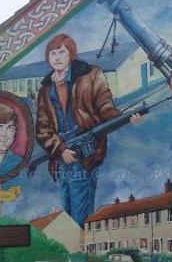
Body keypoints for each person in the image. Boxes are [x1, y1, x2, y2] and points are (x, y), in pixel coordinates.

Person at [36, 33, 142, 227]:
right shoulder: (45, 88)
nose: (57, 57)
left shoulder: (92, 75)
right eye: (53, 53)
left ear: (71, 54)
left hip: (85, 153)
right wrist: (61, 150)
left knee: (81, 213)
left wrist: (126, 117)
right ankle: (72, 243)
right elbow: (42, 128)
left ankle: (81, 243)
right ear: (47, 57)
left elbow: (105, 108)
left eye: (62, 52)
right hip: (61, 154)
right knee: (67, 207)